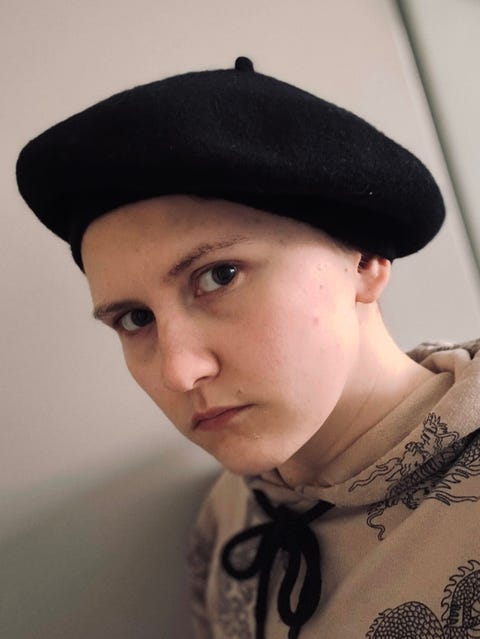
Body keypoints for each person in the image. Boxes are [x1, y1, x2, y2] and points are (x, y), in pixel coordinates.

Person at [16, 57, 480, 639]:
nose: (179, 371)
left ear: (364, 261)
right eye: (136, 319)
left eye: (219, 276)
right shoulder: (229, 514)